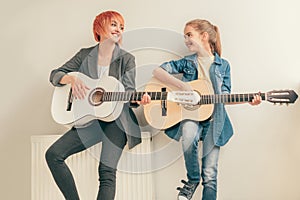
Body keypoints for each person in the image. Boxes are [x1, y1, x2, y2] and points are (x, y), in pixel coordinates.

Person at [46, 10, 150, 200]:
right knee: (53, 155)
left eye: (121, 27)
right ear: (99, 28)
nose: (118, 29)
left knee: (106, 172)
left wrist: (137, 99)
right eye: (114, 24)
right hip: (89, 121)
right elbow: (55, 74)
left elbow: (128, 92)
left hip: (117, 122)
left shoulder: (127, 59)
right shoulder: (85, 55)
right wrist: (70, 79)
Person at [153, 19, 261, 200]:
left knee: (210, 174)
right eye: (184, 36)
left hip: (214, 121)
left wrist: (249, 100)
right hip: (190, 116)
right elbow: (158, 71)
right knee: (188, 132)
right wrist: (182, 86)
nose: (185, 40)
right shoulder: (187, 62)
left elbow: (224, 97)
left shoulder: (223, 65)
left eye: (189, 35)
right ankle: (193, 179)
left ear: (204, 36)